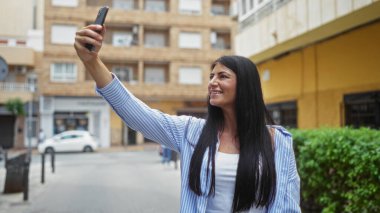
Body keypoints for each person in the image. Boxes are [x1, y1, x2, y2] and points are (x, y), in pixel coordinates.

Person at [74, 24, 300, 213]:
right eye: (211, 76)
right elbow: (136, 114)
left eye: (223, 76)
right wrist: (92, 62)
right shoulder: (192, 132)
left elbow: (288, 207)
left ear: (246, 86)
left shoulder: (277, 141)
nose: (212, 82)